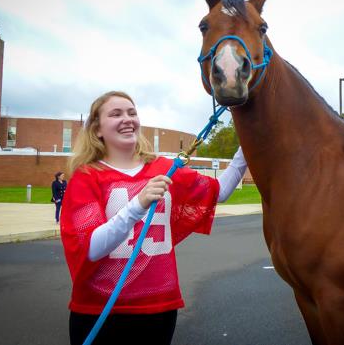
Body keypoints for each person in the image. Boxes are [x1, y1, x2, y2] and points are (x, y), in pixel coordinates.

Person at [60, 91, 246, 345]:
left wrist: (247, 144)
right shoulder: (86, 177)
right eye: (115, 114)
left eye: (131, 112)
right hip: (100, 310)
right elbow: (90, 248)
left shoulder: (164, 169)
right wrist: (138, 204)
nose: (127, 119)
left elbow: (220, 191)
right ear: (97, 129)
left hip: (159, 308)